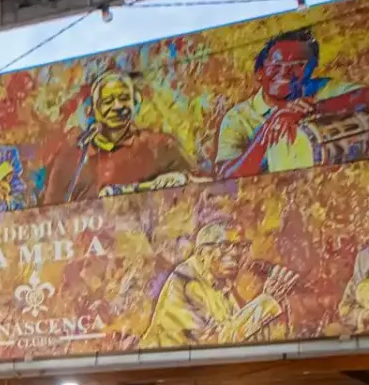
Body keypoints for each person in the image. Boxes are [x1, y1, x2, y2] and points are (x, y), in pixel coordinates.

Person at [216, 27, 369, 180]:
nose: (285, 72)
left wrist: (314, 108)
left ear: (311, 69)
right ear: (260, 73)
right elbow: (226, 175)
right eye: (276, 65)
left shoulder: (321, 89)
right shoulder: (238, 117)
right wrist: (266, 131)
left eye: (299, 65)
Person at [41, 70, 195, 203]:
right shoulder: (72, 157)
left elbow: (202, 186)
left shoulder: (160, 146)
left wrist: (179, 179)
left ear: (135, 102)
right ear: (92, 110)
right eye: (108, 101)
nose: (117, 106)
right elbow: (49, 213)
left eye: (124, 99)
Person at [140, 221, 294, 350]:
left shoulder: (219, 284)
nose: (236, 253)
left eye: (241, 246)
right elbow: (217, 342)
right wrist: (267, 301)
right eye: (225, 245)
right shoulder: (187, 282)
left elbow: (240, 333)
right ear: (201, 253)